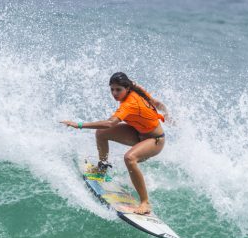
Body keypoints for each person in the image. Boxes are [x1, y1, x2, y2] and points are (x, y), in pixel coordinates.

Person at [61, 72, 169, 215]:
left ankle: (145, 203)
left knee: (129, 158)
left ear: (127, 88)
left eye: (118, 90)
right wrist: (167, 114)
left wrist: (79, 124)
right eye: (112, 89)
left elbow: (110, 123)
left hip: (155, 140)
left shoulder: (130, 103)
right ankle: (102, 168)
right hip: (137, 134)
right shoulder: (135, 88)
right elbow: (157, 103)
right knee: (101, 133)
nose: (114, 93)